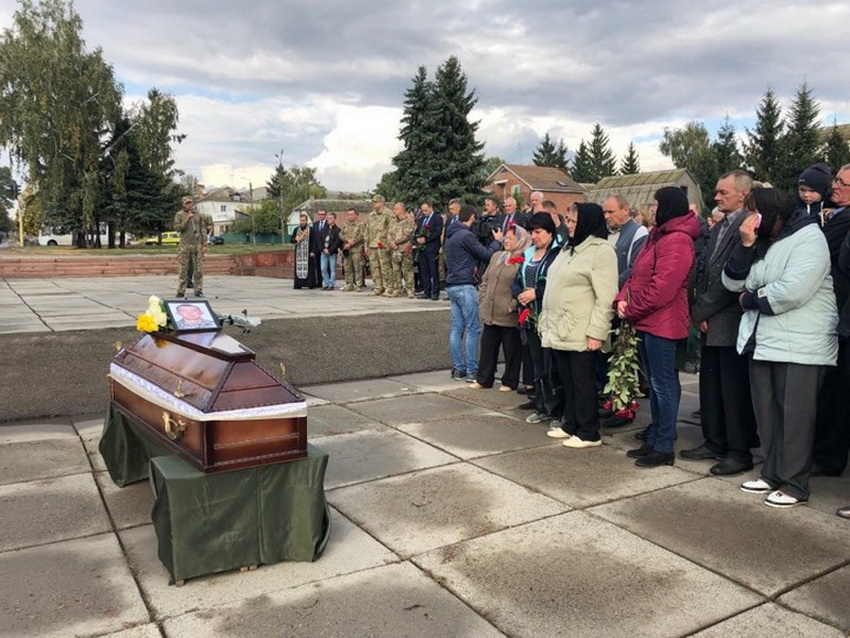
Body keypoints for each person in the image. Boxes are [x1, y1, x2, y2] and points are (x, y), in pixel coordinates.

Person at [723, 188, 837, 508]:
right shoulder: (765, 242)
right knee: (767, 413)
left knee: (795, 416)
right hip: (765, 341)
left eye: (754, 212)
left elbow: (792, 291)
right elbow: (734, 282)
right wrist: (746, 246)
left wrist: (751, 299)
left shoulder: (808, 238)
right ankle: (772, 472)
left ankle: (795, 482)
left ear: (774, 213)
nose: (750, 220)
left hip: (800, 343)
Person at [617, 187, 701, 467]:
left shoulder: (676, 240)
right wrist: (621, 298)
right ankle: (655, 436)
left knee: (663, 385)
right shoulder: (657, 235)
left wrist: (632, 309)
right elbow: (636, 274)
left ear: (668, 207)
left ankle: (664, 445)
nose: (652, 209)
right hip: (647, 320)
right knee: (654, 384)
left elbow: (662, 289)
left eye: (657, 204)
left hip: (663, 324)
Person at [684, 170, 759, 475]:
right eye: (716, 192)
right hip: (709, 318)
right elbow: (706, 271)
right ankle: (714, 440)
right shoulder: (720, 226)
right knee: (711, 385)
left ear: (742, 194)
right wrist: (700, 311)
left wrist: (702, 310)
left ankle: (738, 451)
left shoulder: (748, 225)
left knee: (732, 389)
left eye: (722, 193)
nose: (716, 197)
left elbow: (735, 277)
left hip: (728, 318)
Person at [541, 203, 618, 448]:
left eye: (573, 221)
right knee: (568, 380)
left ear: (586, 221)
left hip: (582, 330)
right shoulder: (568, 248)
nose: (569, 225)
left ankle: (589, 431)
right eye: (568, 220)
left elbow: (606, 296)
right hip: (561, 328)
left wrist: (597, 331)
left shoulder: (601, 251)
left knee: (583, 382)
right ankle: (571, 423)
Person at [813, 163, 850, 479]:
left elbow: (818, 252)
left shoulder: (845, 220)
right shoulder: (832, 216)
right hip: (838, 316)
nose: (834, 185)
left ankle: (828, 456)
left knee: (837, 393)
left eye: (843, 183)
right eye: (835, 179)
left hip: (842, 312)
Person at [513, 212, 565, 425]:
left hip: (549, 316)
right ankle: (542, 406)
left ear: (550, 233)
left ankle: (556, 410)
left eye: (538, 232)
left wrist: (537, 292)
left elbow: (558, 282)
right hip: (530, 318)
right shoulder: (528, 254)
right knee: (537, 365)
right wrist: (519, 294)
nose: (534, 236)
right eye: (532, 232)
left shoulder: (557, 254)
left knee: (551, 365)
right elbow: (517, 280)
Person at [444, 204, 503, 380]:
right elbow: (486, 254)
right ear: (471, 218)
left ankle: (458, 368)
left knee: (456, 329)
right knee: (473, 328)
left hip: (452, 285)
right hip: (465, 286)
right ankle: (471, 370)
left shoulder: (451, 235)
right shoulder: (466, 235)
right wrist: (497, 241)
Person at [471, 225, 531, 390]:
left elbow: (522, 285)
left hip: (508, 314)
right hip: (490, 310)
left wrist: (512, 305)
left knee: (512, 349)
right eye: (506, 237)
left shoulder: (523, 259)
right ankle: (484, 378)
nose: (507, 240)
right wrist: (483, 297)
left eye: (512, 238)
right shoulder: (497, 256)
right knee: (488, 347)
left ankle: (510, 381)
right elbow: (486, 279)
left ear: (521, 240)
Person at [603, 195, 649, 290]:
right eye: (605, 212)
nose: (606, 216)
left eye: (611, 212)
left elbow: (635, 268)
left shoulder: (639, 232)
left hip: (622, 295)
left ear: (625, 210)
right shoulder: (603, 233)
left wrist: (608, 286)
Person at [174, 196, 211, 298]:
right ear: (183, 204)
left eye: (190, 203)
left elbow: (202, 230)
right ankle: (181, 290)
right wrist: (187, 219)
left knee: (198, 269)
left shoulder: (198, 215)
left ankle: (198, 290)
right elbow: (178, 228)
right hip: (185, 245)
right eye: (187, 203)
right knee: (183, 269)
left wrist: (204, 244)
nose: (189, 205)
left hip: (197, 245)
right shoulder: (179, 215)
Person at [414, 201, 443, 300]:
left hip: (432, 248)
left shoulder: (437, 218)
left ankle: (435, 292)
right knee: (424, 271)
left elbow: (437, 232)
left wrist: (426, 239)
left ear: (431, 208)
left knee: (433, 271)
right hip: (422, 249)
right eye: (423, 211)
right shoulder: (421, 219)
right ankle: (427, 291)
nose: (424, 212)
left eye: (426, 210)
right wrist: (417, 239)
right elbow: (417, 231)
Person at [386, 202, 415, 298]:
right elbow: (389, 233)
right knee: (395, 270)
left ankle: (410, 290)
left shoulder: (409, 220)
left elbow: (408, 234)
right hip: (394, 250)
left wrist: (396, 242)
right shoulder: (393, 221)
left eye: (396, 209)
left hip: (404, 249)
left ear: (402, 209)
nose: (394, 211)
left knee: (407, 270)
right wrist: (391, 243)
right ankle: (397, 289)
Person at [366, 195, 392, 296]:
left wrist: (389, 244)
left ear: (382, 202)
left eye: (376, 202)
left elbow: (392, 229)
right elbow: (367, 230)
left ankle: (388, 287)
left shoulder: (388, 214)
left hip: (383, 244)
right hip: (373, 244)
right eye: (373, 202)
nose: (374, 204)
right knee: (374, 267)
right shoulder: (371, 215)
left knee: (385, 267)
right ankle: (378, 286)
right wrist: (366, 245)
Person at [340, 208, 366, 291]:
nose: (350, 216)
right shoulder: (345, 225)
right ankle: (349, 284)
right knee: (347, 268)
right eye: (348, 214)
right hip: (347, 250)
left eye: (351, 214)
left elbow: (363, 235)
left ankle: (358, 285)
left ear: (356, 215)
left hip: (356, 250)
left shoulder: (361, 224)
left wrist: (353, 241)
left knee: (357, 268)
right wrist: (347, 240)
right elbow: (341, 234)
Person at [291, 213, 319, 289]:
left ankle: (310, 284)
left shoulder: (311, 230)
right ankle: (299, 284)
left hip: (308, 252)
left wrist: (313, 251)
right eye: (301, 220)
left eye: (303, 220)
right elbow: (292, 240)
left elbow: (314, 241)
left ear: (306, 221)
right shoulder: (296, 230)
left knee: (309, 269)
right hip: (299, 253)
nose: (302, 222)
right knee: (299, 269)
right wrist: (295, 239)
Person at [320, 212, 342, 290]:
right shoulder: (324, 229)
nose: (328, 220)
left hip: (332, 252)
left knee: (333, 268)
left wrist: (330, 250)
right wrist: (323, 249)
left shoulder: (337, 230)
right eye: (328, 218)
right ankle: (326, 283)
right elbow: (319, 240)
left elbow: (337, 242)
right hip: (323, 252)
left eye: (330, 218)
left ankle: (331, 284)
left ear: (334, 219)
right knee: (323, 268)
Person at [310, 209, 329, 288]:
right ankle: (319, 282)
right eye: (319, 214)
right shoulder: (315, 224)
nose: (321, 216)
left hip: (325, 248)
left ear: (325, 215)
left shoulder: (328, 224)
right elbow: (313, 238)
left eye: (322, 214)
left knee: (326, 267)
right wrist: (313, 250)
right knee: (318, 266)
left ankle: (328, 282)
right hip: (317, 249)